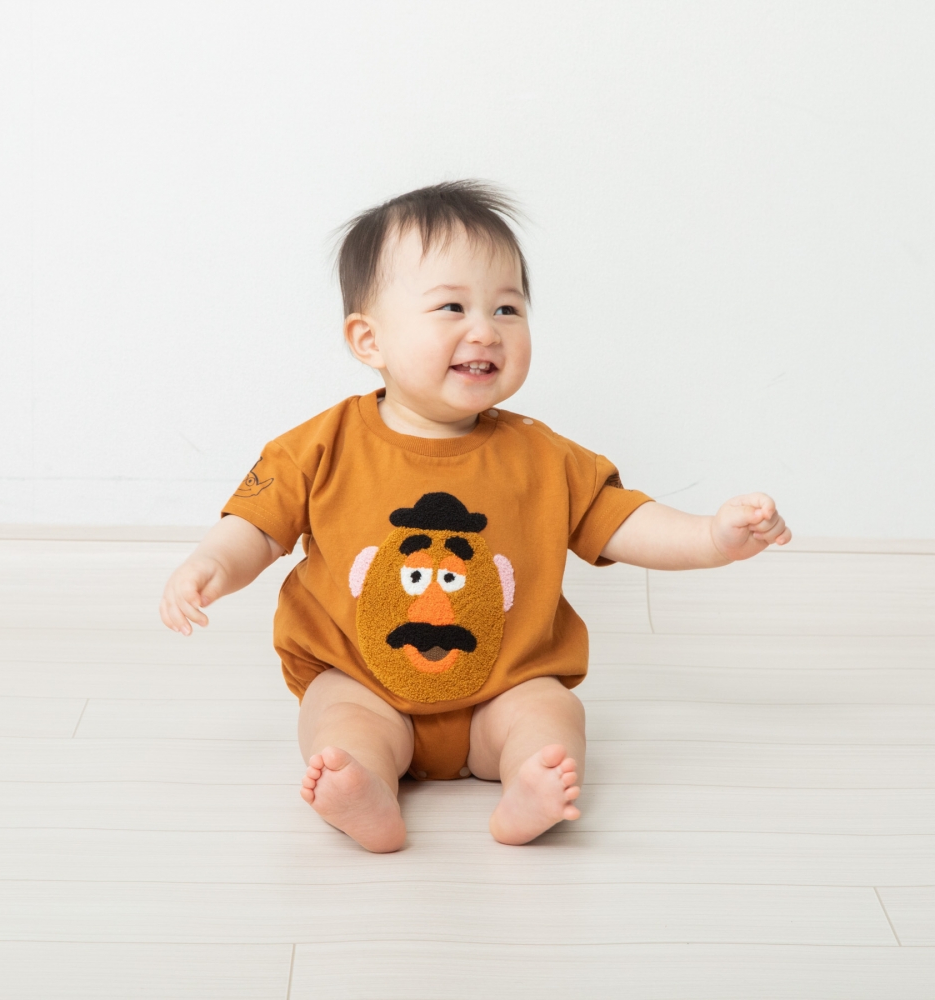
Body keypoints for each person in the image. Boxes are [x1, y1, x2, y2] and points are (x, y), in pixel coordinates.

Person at [159, 181, 791, 853]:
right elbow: (258, 525)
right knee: (335, 718)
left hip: (505, 689)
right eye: (452, 307)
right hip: (363, 682)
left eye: (508, 308)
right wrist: (212, 562)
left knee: (553, 714)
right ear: (369, 339)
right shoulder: (320, 447)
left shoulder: (543, 456)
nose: (486, 329)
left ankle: (529, 782)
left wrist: (711, 536)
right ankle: (363, 786)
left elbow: (624, 521)